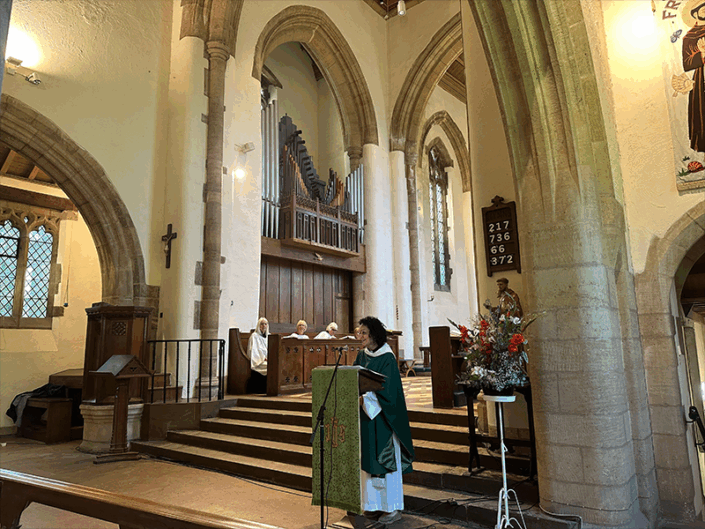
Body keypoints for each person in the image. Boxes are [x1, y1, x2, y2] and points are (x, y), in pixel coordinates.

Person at [353, 316, 414, 524]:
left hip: (383, 419)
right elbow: (354, 378)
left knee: (385, 462)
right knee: (367, 460)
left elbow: (389, 391)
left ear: (374, 335)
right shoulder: (362, 355)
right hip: (366, 417)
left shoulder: (387, 357)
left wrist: (366, 399)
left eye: (364, 333)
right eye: (359, 332)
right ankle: (372, 506)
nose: (360, 336)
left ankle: (392, 507)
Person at [683, 2, 705, 153]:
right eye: (703, 9)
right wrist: (701, 53)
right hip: (701, 79)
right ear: (695, 13)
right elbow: (686, 63)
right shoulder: (689, 37)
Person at [247, 317, 269, 393]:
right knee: (270, 367)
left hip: (267, 359)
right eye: (262, 324)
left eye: (265, 324)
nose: (264, 326)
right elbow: (254, 350)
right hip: (258, 362)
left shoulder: (268, 336)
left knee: (275, 366)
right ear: (258, 325)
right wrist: (263, 358)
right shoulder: (254, 336)